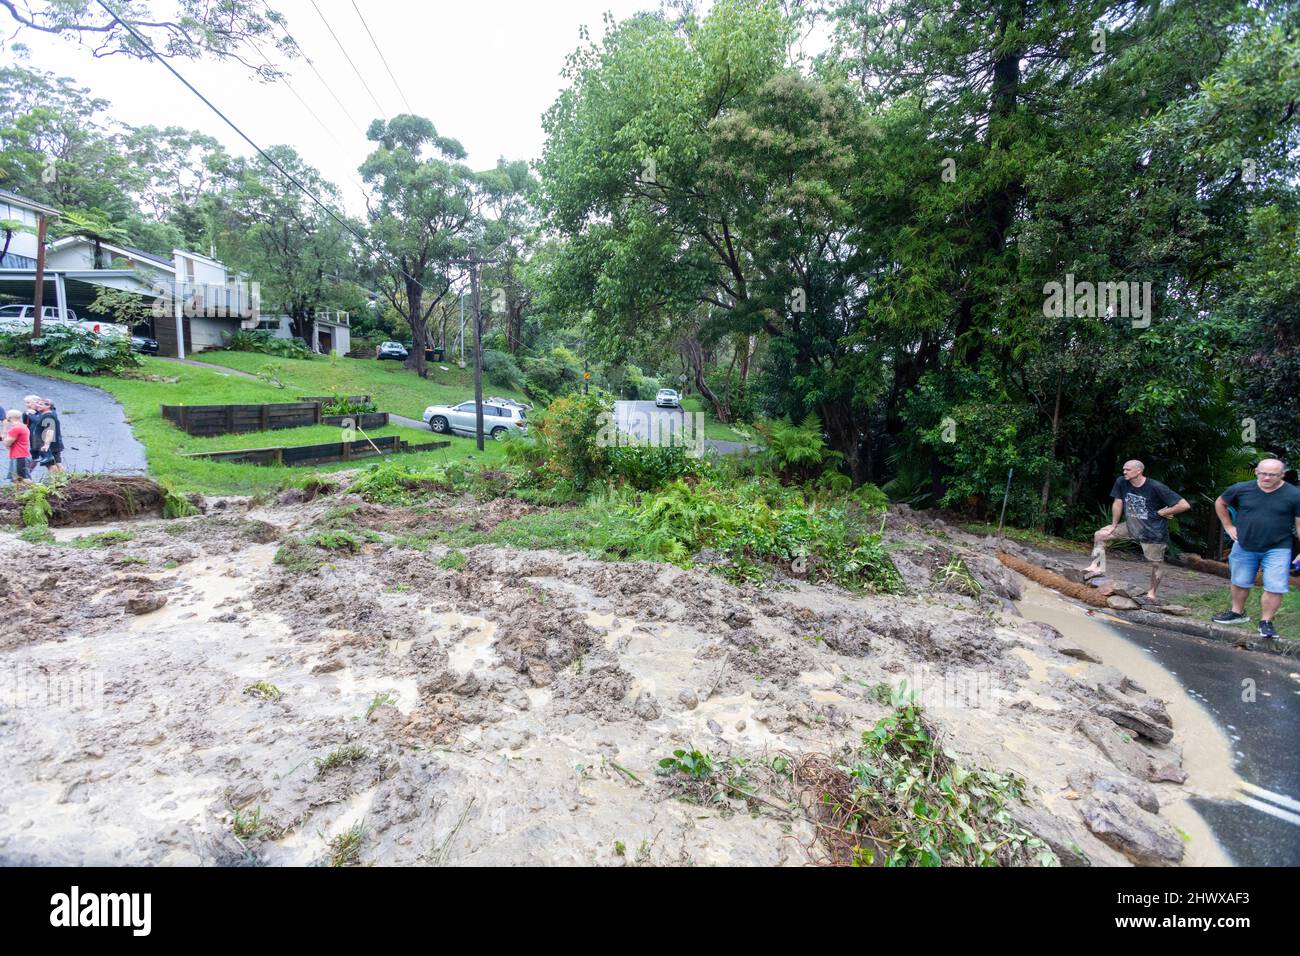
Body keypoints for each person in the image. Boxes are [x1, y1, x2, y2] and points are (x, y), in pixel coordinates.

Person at [1212, 458, 1300, 640]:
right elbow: (1220, 502)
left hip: (1278, 547)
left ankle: (1266, 622)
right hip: (1245, 543)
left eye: (1272, 474)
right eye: (1263, 473)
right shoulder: (1241, 488)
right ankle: (1237, 613)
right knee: (1240, 581)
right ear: (1256, 472)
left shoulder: (1294, 495)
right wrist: (1228, 526)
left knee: (1275, 586)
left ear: (1282, 474)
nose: (1267, 477)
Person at [1083, 459, 1191, 601]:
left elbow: (1184, 505)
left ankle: (1152, 593)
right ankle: (1096, 567)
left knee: (1156, 563)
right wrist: (1114, 525)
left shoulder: (1155, 486)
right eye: (1124, 469)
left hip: (1153, 531)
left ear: (1138, 471)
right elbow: (1118, 502)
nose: (1124, 472)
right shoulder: (1122, 482)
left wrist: (1163, 513)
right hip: (1131, 526)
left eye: (1127, 469)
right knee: (1100, 535)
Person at [27, 397, 63, 474]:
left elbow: (50, 430)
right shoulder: (44, 415)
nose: (38, 406)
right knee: (56, 463)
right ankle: (61, 481)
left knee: (50, 464)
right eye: (38, 404)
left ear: (48, 406)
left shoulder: (48, 416)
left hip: (45, 444)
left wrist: (46, 444)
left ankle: (55, 482)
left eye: (41, 404)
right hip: (47, 444)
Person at [4, 408, 33, 485]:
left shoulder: (15, 428)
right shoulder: (23, 426)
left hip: (20, 456)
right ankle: (19, 495)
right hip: (20, 455)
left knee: (23, 478)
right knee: (15, 479)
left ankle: (37, 489)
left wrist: (4, 431)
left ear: (9, 417)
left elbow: (7, 443)